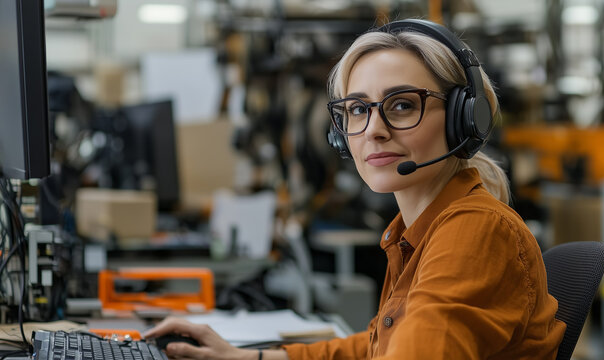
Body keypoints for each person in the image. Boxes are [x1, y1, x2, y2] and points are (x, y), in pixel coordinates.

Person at [143, 19, 566, 359]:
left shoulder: (475, 230)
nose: (373, 131)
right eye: (358, 109)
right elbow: (378, 345)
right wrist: (253, 357)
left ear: (463, 118)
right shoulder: (418, 230)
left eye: (402, 105)